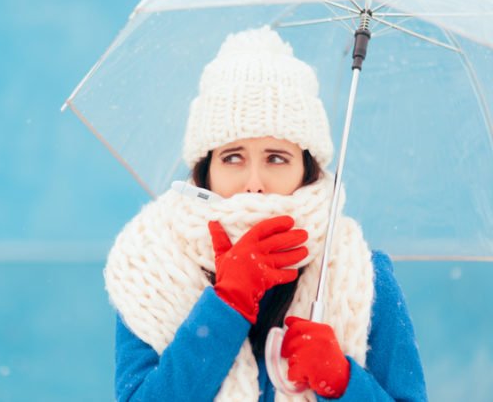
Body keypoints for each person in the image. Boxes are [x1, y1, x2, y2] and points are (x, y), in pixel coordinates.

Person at [104, 26, 427, 401]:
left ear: (307, 169)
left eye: (276, 158)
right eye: (233, 157)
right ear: (205, 169)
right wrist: (226, 305)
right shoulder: (150, 272)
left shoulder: (365, 277)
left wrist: (343, 382)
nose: (254, 182)